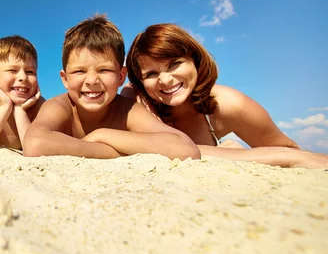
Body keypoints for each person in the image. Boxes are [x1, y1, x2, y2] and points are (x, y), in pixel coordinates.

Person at [121, 23, 328, 168]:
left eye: (175, 64)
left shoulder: (229, 104)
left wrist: (244, 153)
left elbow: (291, 152)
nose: (165, 80)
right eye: (151, 74)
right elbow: (171, 150)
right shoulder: (137, 101)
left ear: (195, 61)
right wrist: (237, 154)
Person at [23, 15, 200, 160]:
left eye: (104, 70)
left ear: (121, 76)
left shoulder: (127, 110)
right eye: (79, 71)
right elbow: (34, 144)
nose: (92, 80)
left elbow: (186, 148)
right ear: (65, 79)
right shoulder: (60, 106)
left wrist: (103, 135)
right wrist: (111, 152)